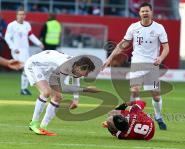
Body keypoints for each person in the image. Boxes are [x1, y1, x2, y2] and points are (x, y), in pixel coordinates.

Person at [102, 2, 169, 130]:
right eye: (142, 11)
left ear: (151, 12)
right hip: (137, 63)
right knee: (134, 91)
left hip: (152, 65)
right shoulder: (133, 27)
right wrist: (110, 58)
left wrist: (160, 58)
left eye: (147, 11)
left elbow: (166, 47)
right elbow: (123, 44)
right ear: (139, 13)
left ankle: (158, 116)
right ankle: (135, 117)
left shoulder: (159, 28)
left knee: (156, 95)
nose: (145, 13)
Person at [25, 50, 101, 136]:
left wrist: (76, 100)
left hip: (50, 71)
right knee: (46, 92)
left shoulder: (76, 67)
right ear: (80, 67)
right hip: (35, 65)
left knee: (57, 97)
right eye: (86, 72)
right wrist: (86, 89)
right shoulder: (65, 65)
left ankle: (43, 128)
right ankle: (33, 123)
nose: (86, 75)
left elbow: (75, 81)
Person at [5, 7, 44, 95]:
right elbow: (7, 37)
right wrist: (13, 48)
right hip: (17, 51)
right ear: (16, 15)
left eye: (23, 14)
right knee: (26, 68)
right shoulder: (12, 25)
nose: (21, 16)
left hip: (25, 51)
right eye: (19, 14)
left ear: (25, 16)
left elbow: (30, 35)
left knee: (27, 69)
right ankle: (24, 89)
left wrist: (39, 43)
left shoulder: (27, 25)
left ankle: (24, 89)